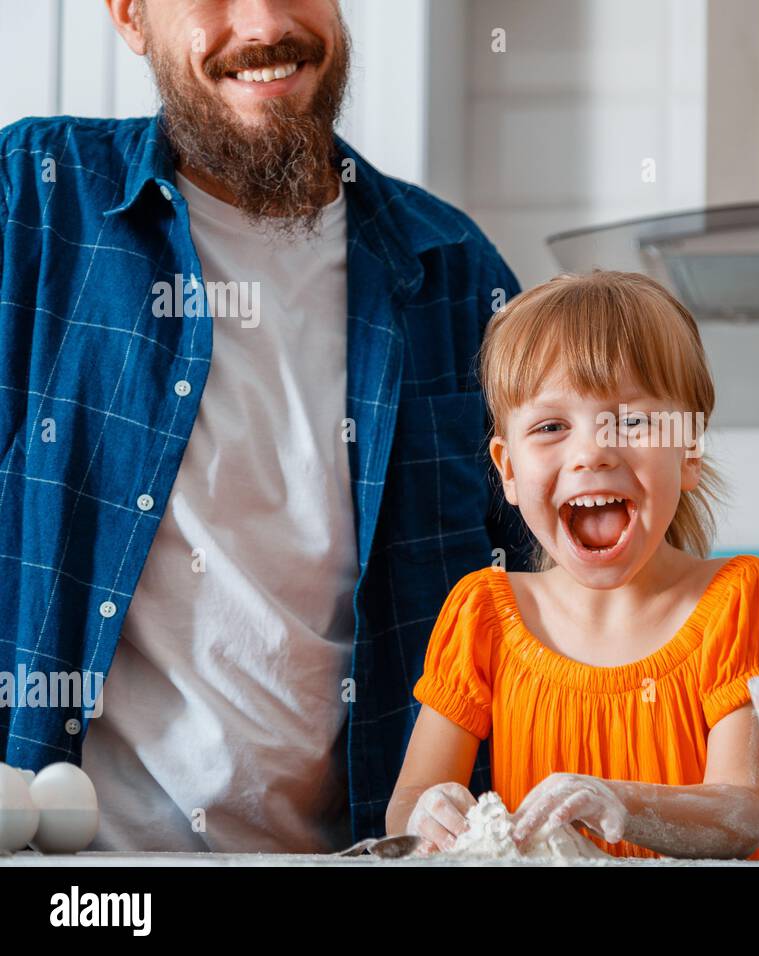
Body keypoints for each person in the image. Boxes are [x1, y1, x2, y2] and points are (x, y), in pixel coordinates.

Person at [0, 0, 529, 852]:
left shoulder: (456, 275)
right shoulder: (30, 202)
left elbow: (550, 613)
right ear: (131, 17)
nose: (263, 23)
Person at [386, 271, 759, 859]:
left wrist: (618, 802)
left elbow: (742, 811)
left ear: (690, 453)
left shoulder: (737, 599)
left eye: (631, 421)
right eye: (551, 426)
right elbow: (411, 800)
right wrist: (430, 814)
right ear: (506, 468)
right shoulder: (482, 613)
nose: (591, 453)